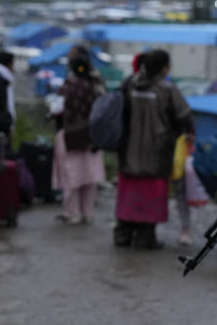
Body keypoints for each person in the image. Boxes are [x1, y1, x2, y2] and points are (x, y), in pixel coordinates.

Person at [114, 49, 194, 249]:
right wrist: (187, 134)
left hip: (128, 154)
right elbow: (184, 116)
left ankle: (122, 235)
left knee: (128, 196)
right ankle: (145, 238)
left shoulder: (128, 84)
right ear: (164, 68)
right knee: (150, 198)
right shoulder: (167, 89)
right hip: (157, 155)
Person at [52, 52, 105, 224]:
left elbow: (56, 108)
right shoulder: (95, 85)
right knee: (89, 177)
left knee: (72, 176)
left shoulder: (70, 84)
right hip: (93, 136)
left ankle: (72, 212)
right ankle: (87, 213)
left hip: (71, 135)